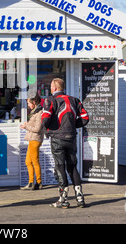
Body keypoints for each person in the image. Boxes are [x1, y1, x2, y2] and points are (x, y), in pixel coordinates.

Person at [42, 78, 89, 208]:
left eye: (51, 86)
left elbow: (45, 118)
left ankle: (63, 199)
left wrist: (47, 129)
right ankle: (80, 198)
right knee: (72, 166)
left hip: (57, 138)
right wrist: (73, 125)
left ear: (55, 88)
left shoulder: (50, 100)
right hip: (71, 138)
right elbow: (85, 118)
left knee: (60, 167)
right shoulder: (75, 100)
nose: (51, 88)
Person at [20, 93, 44, 190]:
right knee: (28, 161)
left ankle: (38, 182)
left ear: (34, 102)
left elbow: (37, 128)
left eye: (29, 103)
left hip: (35, 139)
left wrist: (26, 126)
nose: (28, 105)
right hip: (32, 139)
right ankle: (31, 182)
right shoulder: (35, 111)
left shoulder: (39, 113)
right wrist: (28, 123)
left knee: (34, 161)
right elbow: (34, 125)